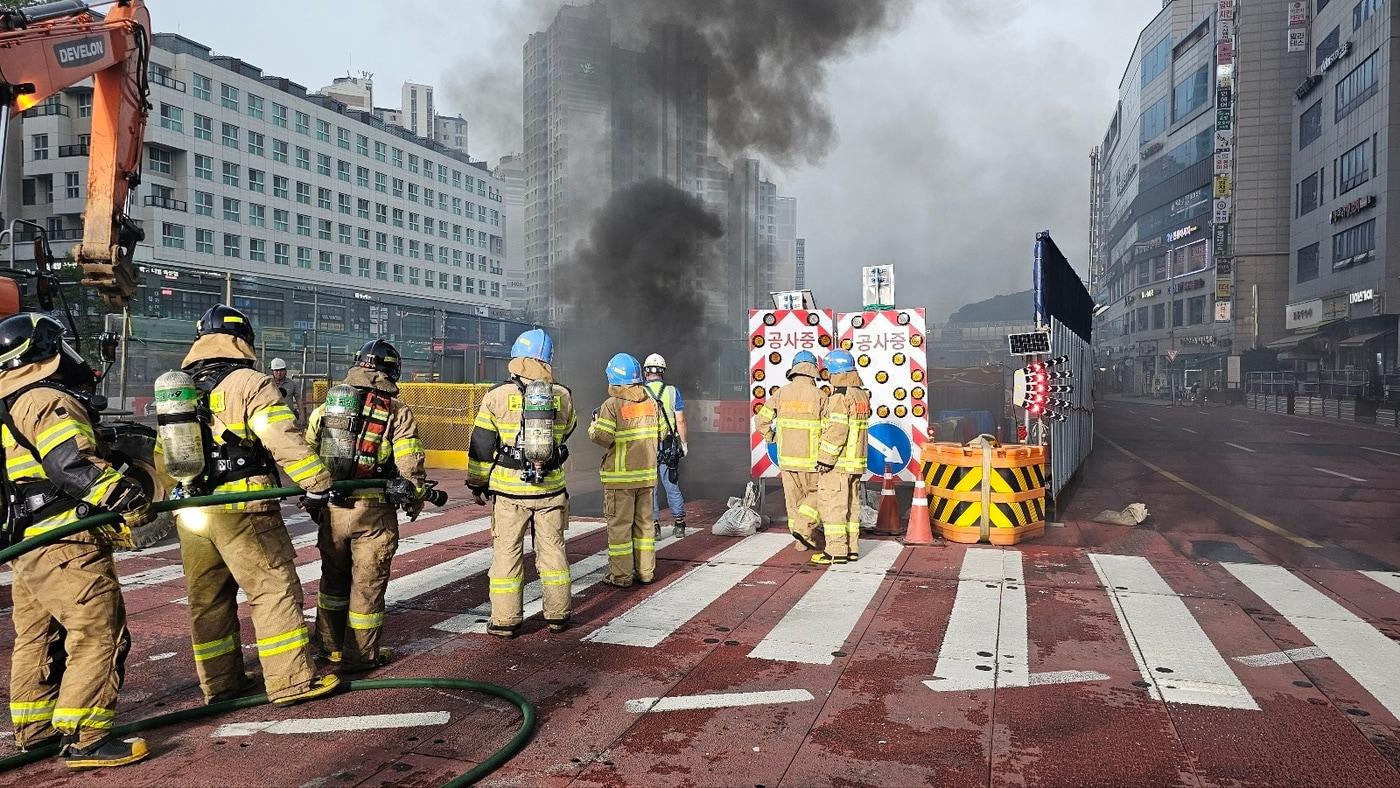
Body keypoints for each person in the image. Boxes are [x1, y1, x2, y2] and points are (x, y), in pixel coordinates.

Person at [0, 314, 154, 768]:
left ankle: (35, 729)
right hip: (65, 543)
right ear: (44, 352)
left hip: (28, 544)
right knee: (98, 633)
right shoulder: (44, 398)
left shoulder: (7, 401)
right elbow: (70, 464)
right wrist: (125, 496)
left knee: (37, 636)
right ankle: (88, 739)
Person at [166, 305, 339, 707]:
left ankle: (221, 684)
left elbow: (165, 455)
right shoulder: (249, 382)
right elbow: (281, 436)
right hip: (244, 507)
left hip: (192, 510)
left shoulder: (178, 386)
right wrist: (317, 483)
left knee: (208, 599)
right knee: (273, 589)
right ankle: (291, 681)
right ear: (243, 341)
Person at [304, 339, 426, 670]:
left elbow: (306, 451)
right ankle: (360, 656)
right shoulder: (398, 412)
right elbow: (409, 463)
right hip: (373, 513)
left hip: (333, 508)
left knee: (332, 580)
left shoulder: (328, 406)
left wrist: (314, 496)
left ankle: (329, 647)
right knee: (367, 585)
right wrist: (415, 497)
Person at [468, 329, 576, 638]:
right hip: (550, 489)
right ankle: (558, 615)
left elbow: (481, 444)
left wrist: (478, 482)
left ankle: (505, 620)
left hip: (509, 491)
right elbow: (568, 431)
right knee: (553, 553)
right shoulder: (563, 395)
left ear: (517, 358)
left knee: (507, 554)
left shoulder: (496, 395)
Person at [589, 353, 665, 587]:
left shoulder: (611, 405)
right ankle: (646, 572)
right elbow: (662, 433)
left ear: (614, 379)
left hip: (620, 480)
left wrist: (593, 426)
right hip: (646, 478)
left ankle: (621, 576)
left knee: (620, 530)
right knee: (644, 527)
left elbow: (602, 437)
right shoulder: (652, 403)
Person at [753, 350, 826, 552]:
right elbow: (830, 428)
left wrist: (772, 437)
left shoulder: (781, 393)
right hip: (813, 460)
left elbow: (761, 420)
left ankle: (800, 542)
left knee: (793, 501)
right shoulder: (820, 396)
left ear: (794, 370)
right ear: (813, 371)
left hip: (786, 459)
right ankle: (805, 530)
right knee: (817, 495)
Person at [812, 350, 871, 566]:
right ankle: (852, 549)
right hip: (856, 462)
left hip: (838, 463)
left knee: (833, 506)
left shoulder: (839, 396)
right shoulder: (860, 394)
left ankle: (836, 551)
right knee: (852, 506)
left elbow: (837, 430)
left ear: (833, 371)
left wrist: (825, 459)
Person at [642, 353, 688, 538]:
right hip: (668, 445)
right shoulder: (672, 391)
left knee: (650, 487)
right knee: (671, 484)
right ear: (663, 372)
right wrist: (683, 443)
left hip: (646, 445)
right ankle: (679, 524)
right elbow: (681, 420)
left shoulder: (640, 393)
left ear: (646, 373)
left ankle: (654, 526)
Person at [269, 358, 300, 425]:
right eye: (276, 370)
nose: (279, 373)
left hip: (289, 419)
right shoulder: (268, 384)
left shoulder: (292, 384)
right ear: (272, 371)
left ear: (285, 371)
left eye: (281, 370)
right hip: (273, 419)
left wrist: (302, 417)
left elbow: (299, 400)